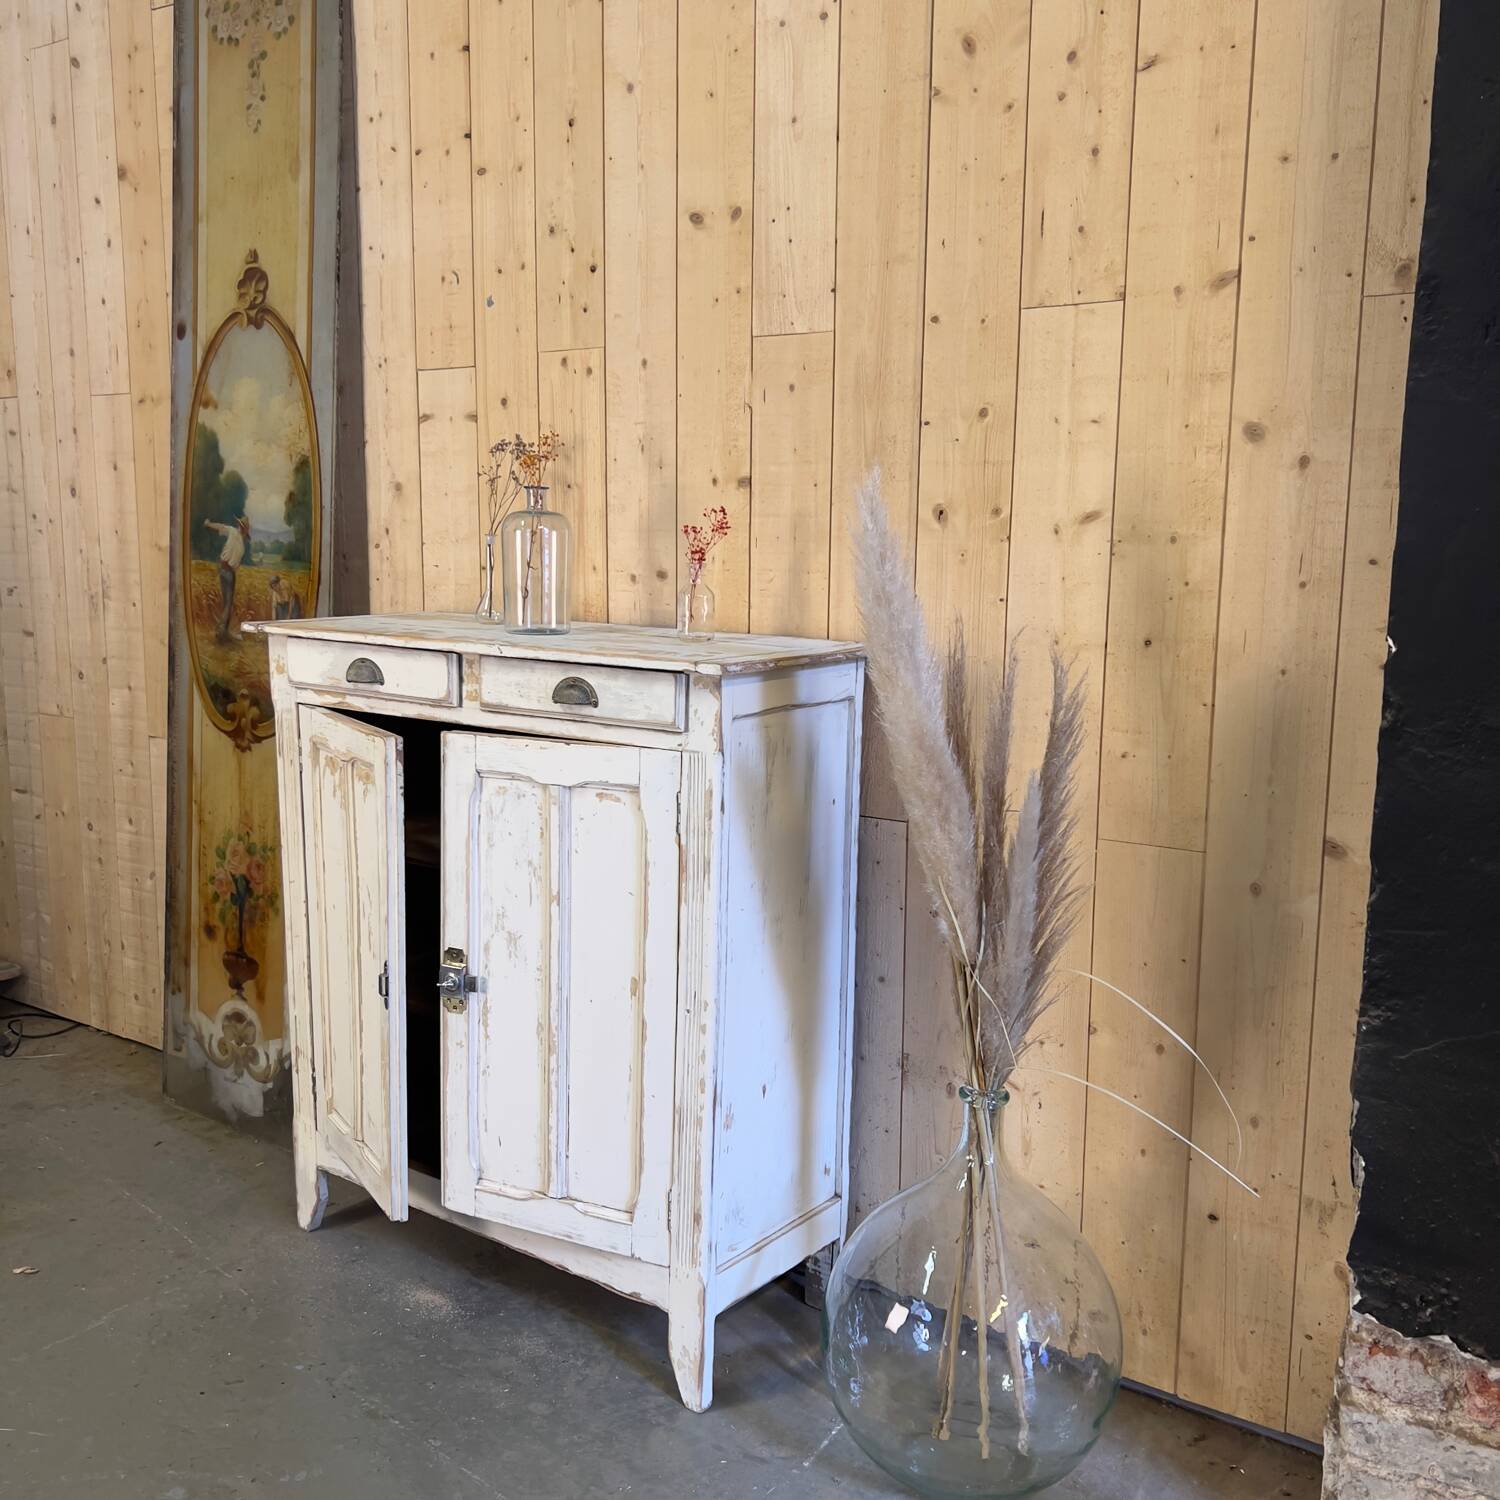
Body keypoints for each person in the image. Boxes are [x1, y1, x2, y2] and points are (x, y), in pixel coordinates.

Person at [205, 513, 251, 642]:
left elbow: (219, 527)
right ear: (245, 531)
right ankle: (221, 631)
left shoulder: (231, 531)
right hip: (230, 573)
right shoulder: (242, 547)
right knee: (228, 604)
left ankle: (223, 631)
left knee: (226, 603)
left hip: (222, 569)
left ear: (239, 526)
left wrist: (208, 524)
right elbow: (236, 566)